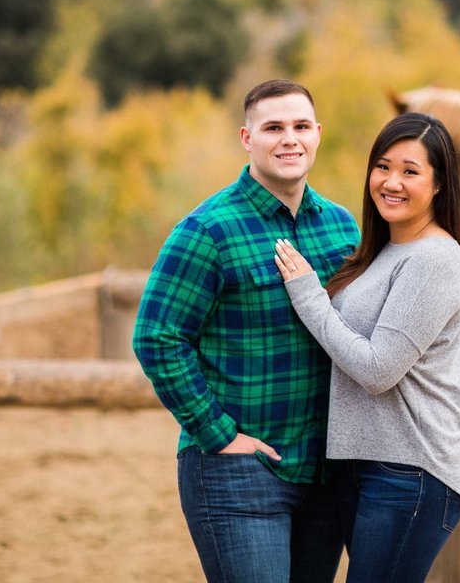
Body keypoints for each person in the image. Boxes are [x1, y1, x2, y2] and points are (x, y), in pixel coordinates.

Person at [132, 79, 360, 583]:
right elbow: (156, 336)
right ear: (246, 137)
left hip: (325, 472)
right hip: (240, 473)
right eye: (273, 127)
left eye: (300, 126)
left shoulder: (343, 227)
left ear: (318, 134)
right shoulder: (208, 230)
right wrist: (219, 434)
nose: (289, 139)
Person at [273, 111, 460, 583]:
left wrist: (308, 294)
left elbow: (377, 369)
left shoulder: (435, 258)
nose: (391, 182)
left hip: (412, 470)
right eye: (383, 167)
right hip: (367, 465)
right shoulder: (386, 249)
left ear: (440, 184)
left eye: (410, 171)